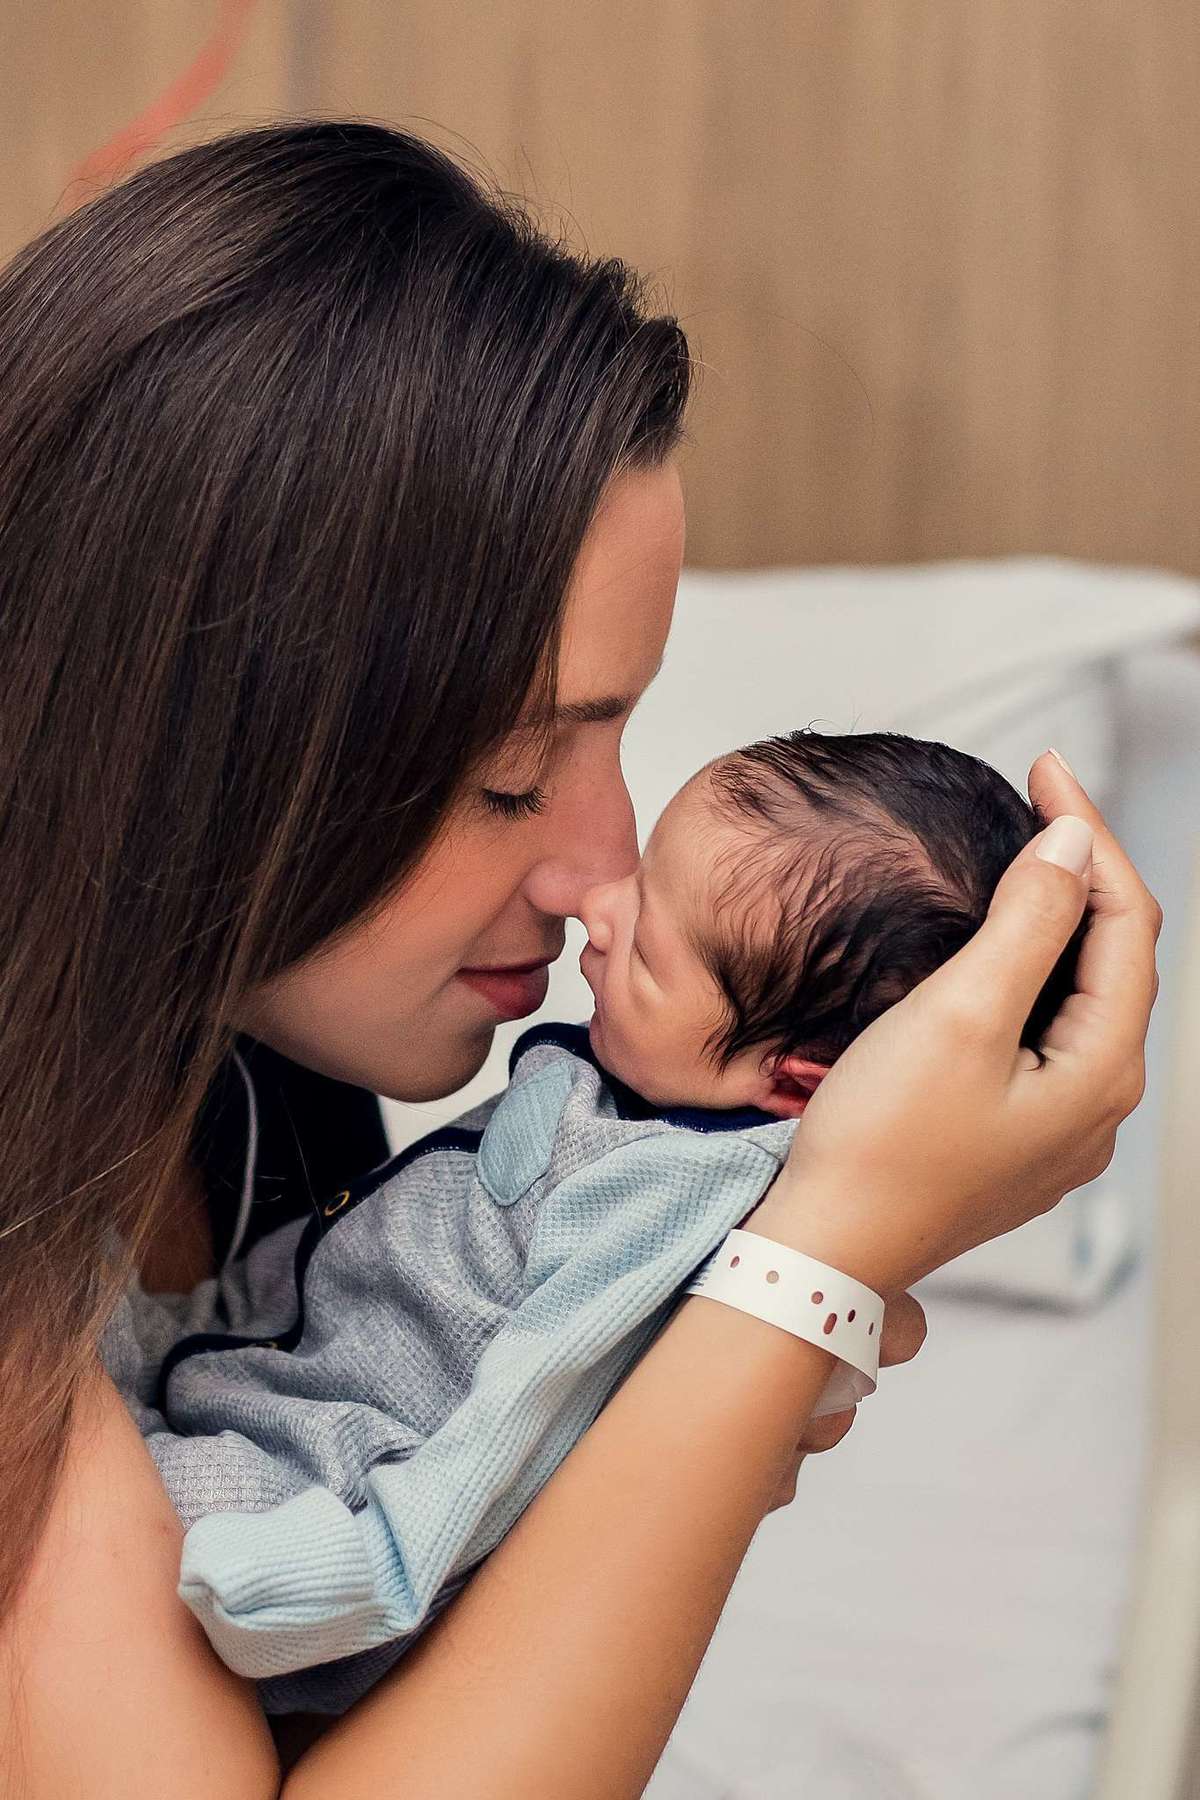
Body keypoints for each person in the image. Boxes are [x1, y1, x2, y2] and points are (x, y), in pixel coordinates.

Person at [0, 119, 1158, 1800]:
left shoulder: (244, 1102)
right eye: (506, 779)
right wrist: (806, 1275)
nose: (601, 872)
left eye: (619, 740)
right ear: (184, 747)